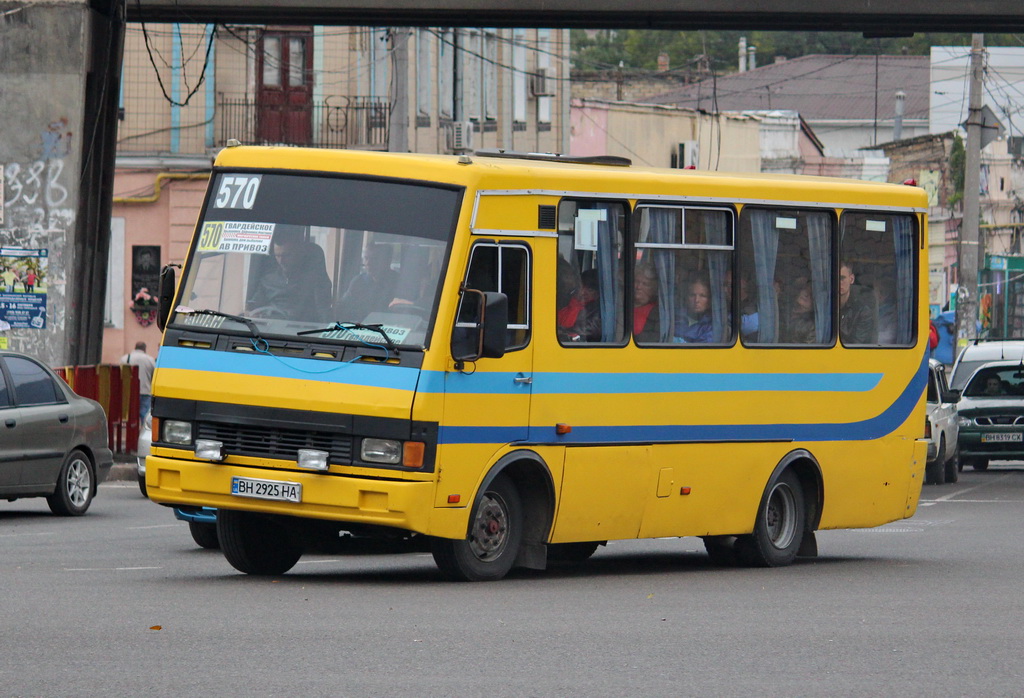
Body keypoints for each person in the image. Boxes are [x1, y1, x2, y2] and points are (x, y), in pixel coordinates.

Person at [247, 230, 333, 321]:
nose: (281, 261)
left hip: (300, 330)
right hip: (271, 330)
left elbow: (323, 311)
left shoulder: (315, 280)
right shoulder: (267, 281)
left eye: (286, 255)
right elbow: (254, 306)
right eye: (278, 256)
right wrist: (250, 313)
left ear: (298, 253)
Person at [339, 244, 399, 321]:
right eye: (366, 258)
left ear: (388, 260)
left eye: (375, 259)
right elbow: (343, 307)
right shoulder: (358, 282)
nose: (368, 263)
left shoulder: (400, 283)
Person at [839, 261, 878, 344]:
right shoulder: (824, 308)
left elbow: (857, 344)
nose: (839, 282)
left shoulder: (862, 312)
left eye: (842, 278)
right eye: (834, 278)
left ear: (851, 279)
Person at [121, 341, 156, 425]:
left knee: (130, 413)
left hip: (129, 391)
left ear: (135, 347)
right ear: (144, 349)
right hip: (145, 391)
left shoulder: (125, 358)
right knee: (143, 414)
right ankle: (142, 432)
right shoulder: (150, 360)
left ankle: (130, 431)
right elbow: (154, 376)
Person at [674, 276, 713, 343]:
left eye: (702, 296)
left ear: (709, 300)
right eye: (692, 295)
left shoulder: (712, 326)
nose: (696, 300)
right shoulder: (674, 317)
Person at [633, 262, 660, 343]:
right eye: (636, 281)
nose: (638, 287)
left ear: (653, 288)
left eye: (645, 284)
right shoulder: (622, 304)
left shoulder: (657, 312)